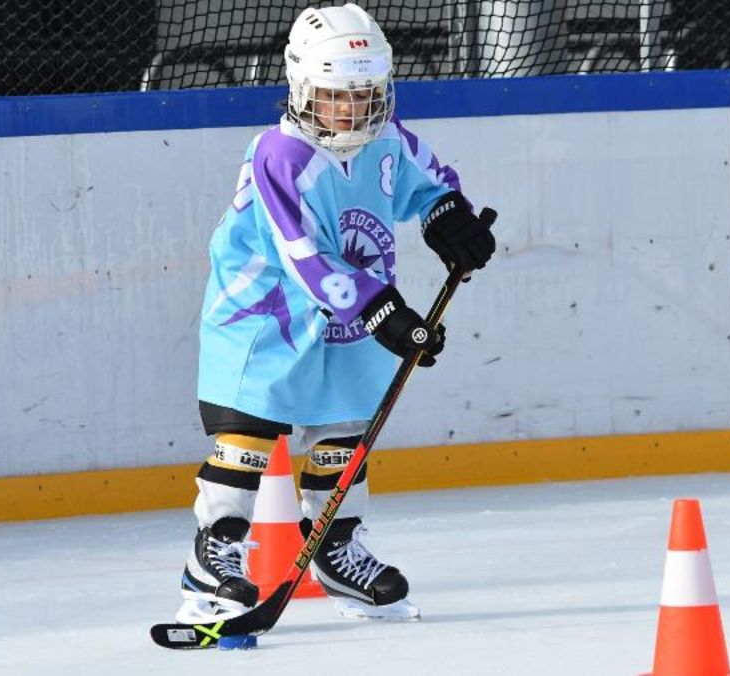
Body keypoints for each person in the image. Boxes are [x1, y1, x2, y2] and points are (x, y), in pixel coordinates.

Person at [176, 2, 496, 624]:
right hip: (266, 314)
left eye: (365, 93)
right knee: (249, 432)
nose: (351, 109)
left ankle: (335, 547)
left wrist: (449, 218)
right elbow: (305, 260)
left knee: (344, 431)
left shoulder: (388, 140)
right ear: (301, 89)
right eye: (334, 96)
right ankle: (214, 553)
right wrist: (390, 315)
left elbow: (431, 183)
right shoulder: (281, 155)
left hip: (352, 318)